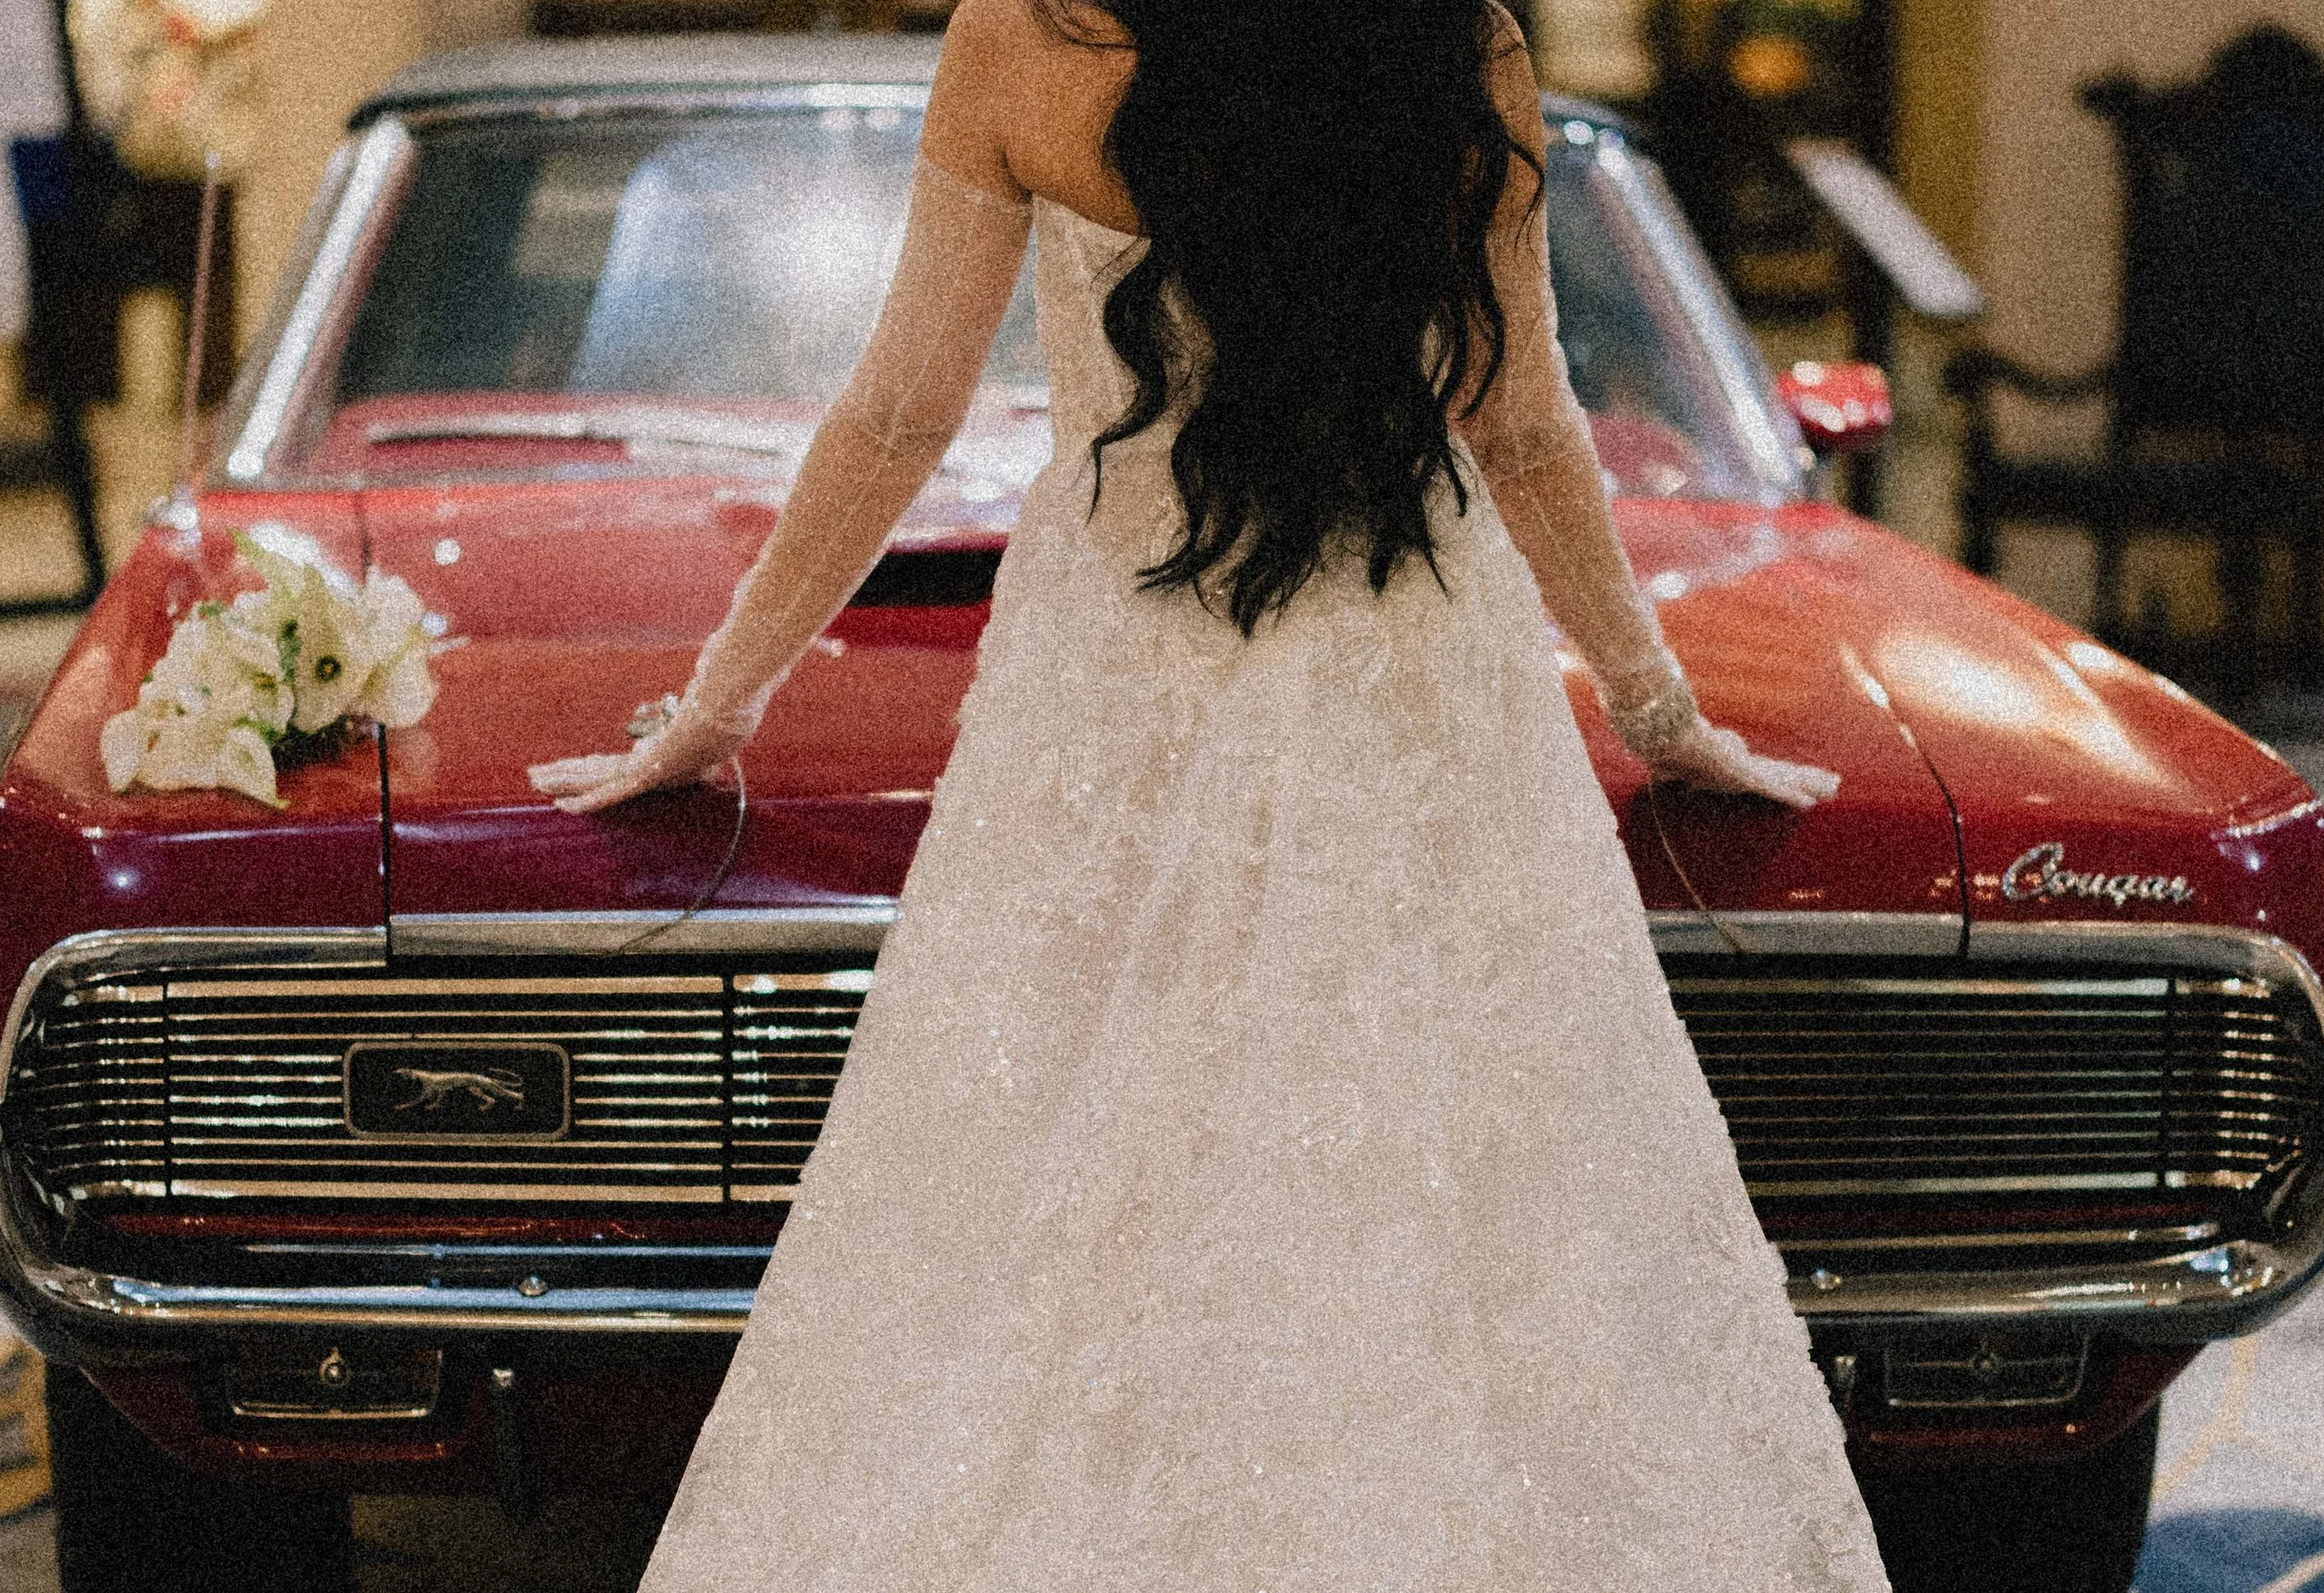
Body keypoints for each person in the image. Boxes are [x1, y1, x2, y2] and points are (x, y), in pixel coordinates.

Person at [531, 0, 1886, 1584]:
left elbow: (904, 409)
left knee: (1068, 1154)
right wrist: (1658, 711)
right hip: (1411, 676)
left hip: (1119, 676)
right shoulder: (1456, 43)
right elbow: (1518, 427)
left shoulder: (1028, 40)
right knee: (1443, 1165)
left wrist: (720, 701)